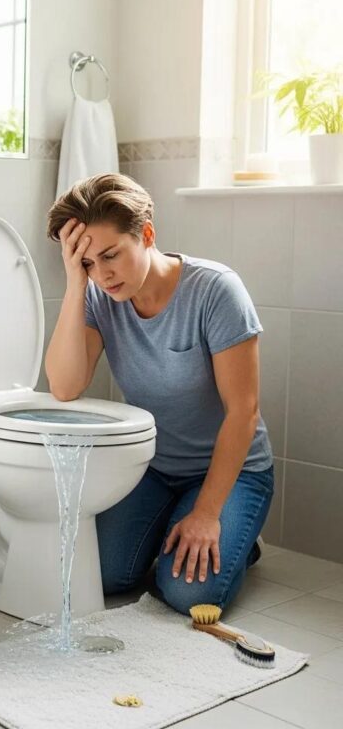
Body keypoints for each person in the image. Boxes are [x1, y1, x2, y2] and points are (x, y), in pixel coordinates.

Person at [44, 173, 273, 615]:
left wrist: (207, 514)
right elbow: (65, 386)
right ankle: (176, 523)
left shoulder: (215, 290)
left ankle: (237, 537)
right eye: (89, 262)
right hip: (152, 466)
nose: (103, 273)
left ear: (147, 234)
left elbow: (243, 411)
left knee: (188, 592)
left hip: (230, 471)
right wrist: (75, 284)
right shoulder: (97, 294)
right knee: (102, 574)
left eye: (111, 255)